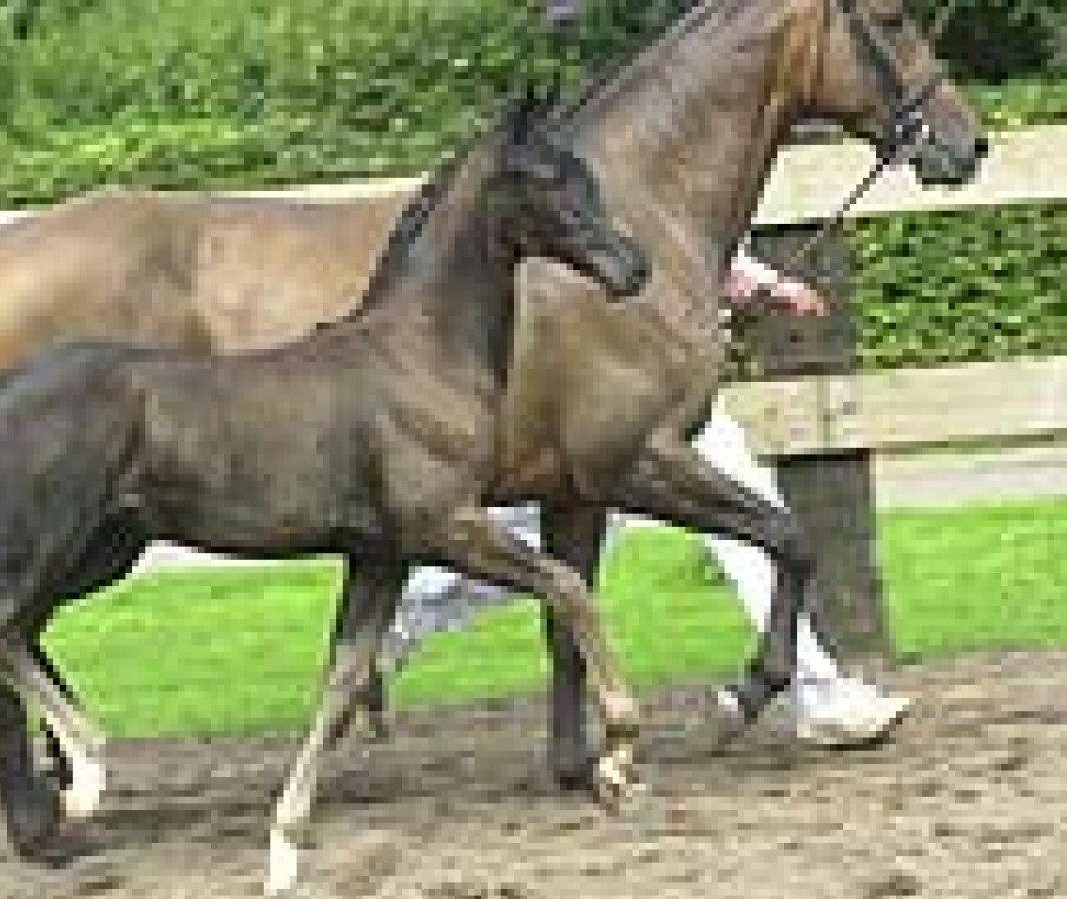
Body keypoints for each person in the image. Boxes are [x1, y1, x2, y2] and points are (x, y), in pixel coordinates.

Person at [381, 247, 911, 747]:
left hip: (645, 387)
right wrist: (749, 285)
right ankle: (816, 692)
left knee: (553, 541)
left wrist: (753, 285)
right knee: (742, 520)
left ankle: (401, 626)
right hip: (631, 391)